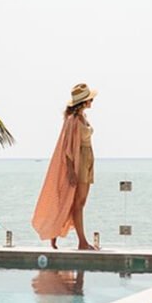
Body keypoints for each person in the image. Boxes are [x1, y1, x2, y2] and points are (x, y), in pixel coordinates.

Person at [32, 83, 97, 250]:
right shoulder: (72, 121)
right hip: (79, 162)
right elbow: (66, 148)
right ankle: (82, 241)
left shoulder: (82, 117)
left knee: (80, 202)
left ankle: (61, 235)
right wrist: (70, 170)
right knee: (76, 202)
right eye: (90, 99)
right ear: (84, 102)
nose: (92, 101)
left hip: (87, 160)